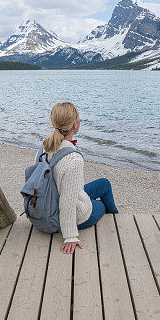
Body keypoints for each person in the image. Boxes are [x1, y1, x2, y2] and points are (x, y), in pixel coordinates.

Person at [40, 101, 118, 254]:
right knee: (101, 205)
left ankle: (111, 212)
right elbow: (67, 202)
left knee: (104, 183)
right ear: (75, 124)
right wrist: (70, 236)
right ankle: (115, 219)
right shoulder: (73, 160)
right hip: (72, 216)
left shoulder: (44, 147)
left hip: (48, 204)